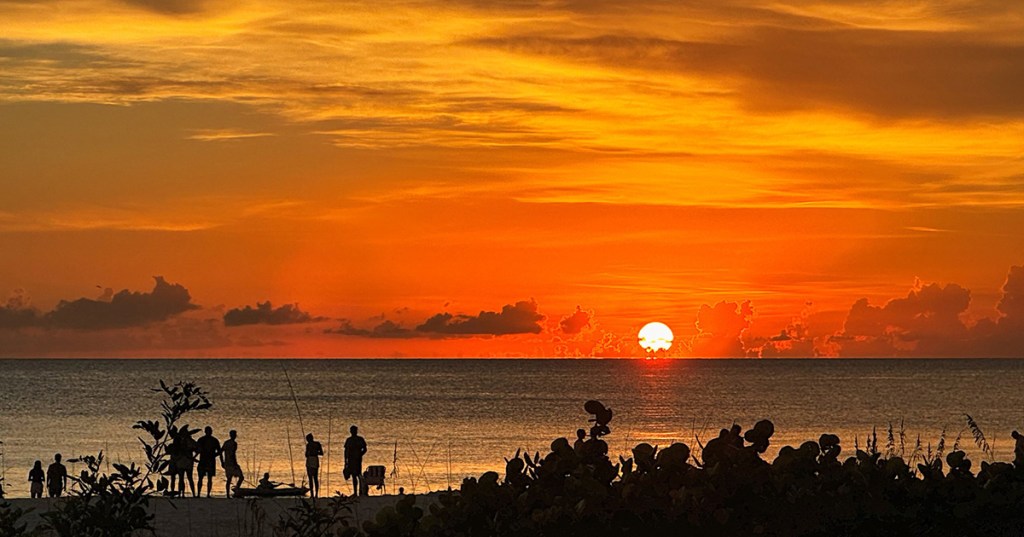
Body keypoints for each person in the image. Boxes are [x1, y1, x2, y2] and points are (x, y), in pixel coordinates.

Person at [195, 426, 221, 498]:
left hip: (207, 460)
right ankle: (202, 494)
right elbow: (219, 452)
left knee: (206, 478)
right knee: (203, 478)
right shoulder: (212, 440)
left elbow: (219, 451)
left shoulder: (204, 440)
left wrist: (215, 456)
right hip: (206, 461)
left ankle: (203, 494)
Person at [172, 427, 197, 497]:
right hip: (183, 461)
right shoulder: (180, 440)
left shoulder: (188, 441)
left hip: (186, 461)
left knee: (187, 478)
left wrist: (193, 457)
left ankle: (190, 494)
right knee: (183, 478)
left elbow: (198, 449)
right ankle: (182, 494)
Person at [343, 425, 367, 496]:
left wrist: (360, 455)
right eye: (352, 431)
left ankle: (360, 491)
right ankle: (356, 492)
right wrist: (346, 461)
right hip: (351, 460)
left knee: (358, 475)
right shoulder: (349, 440)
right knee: (354, 476)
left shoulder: (360, 439)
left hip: (357, 460)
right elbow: (346, 451)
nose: (353, 432)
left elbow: (365, 449)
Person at [221, 429, 244, 497]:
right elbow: (232, 455)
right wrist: (235, 464)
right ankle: (236, 491)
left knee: (229, 479)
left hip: (227, 464)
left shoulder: (226, 442)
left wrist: (222, 462)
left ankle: (229, 494)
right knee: (241, 477)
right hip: (232, 464)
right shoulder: (234, 444)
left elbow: (220, 452)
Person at [305, 433, 324, 498]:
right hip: (314, 460)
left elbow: (306, 455)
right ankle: (315, 494)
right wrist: (315, 452)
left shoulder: (309, 445)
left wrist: (313, 452)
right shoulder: (317, 444)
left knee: (312, 478)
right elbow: (321, 453)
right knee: (315, 478)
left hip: (311, 460)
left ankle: (313, 494)